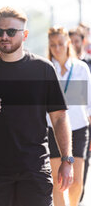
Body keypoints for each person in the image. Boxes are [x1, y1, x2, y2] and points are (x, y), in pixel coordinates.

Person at [0, 7, 73, 206]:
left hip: (34, 171)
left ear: (24, 35)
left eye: (10, 32)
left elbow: (59, 117)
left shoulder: (43, 69)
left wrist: (66, 160)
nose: (4, 36)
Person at [47, 27, 90, 206]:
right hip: (53, 130)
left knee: (76, 182)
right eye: (53, 45)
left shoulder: (81, 68)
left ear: (68, 44)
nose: (57, 48)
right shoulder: (47, 70)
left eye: (60, 44)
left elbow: (89, 105)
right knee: (58, 183)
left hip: (79, 130)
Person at [69, 27, 91, 203]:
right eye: (72, 41)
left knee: (83, 164)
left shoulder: (86, 65)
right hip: (72, 119)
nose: (74, 45)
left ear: (83, 42)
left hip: (85, 121)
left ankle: (78, 200)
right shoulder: (62, 67)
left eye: (77, 41)